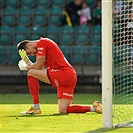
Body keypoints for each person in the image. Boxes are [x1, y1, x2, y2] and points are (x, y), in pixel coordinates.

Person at [17, 37, 102, 114]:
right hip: (69, 76)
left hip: (64, 73)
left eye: (29, 53)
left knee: (31, 73)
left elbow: (37, 67)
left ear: (29, 44)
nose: (31, 54)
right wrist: (26, 61)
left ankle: (36, 106)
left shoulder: (42, 43)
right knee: (63, 110)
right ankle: (93, 108)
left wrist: (26, 67)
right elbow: (39, 70)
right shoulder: (39, 50)